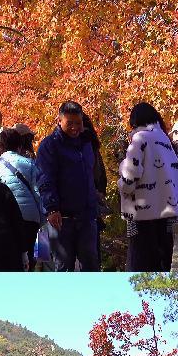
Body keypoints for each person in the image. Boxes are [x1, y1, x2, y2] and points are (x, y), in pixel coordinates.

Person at [36, 101, 102, 271]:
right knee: (64, 267)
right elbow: (45, 179)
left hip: (87, 217)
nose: (74, 128)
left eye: (78, 123)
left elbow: (90, 174)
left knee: (92, 265)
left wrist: (95, 195)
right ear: (59, 121)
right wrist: (51, 208)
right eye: (69, 123)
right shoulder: (49, 145)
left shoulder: (87, 143)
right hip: (62, 219)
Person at [118, 102, 178, 272]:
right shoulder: (166, 141)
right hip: (165, 210)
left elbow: (130, 173)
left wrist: (122, 185)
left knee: (141, 263)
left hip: (142, 212)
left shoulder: (140, 139)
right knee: (161, 260)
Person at [0, 128, 43, 267]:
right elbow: (38, 193)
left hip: (5, 219)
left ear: (0, 146)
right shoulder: (30, 163)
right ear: (19, 145)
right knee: (29, 260)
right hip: (29, 218)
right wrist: (42, 219)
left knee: (9, 261)